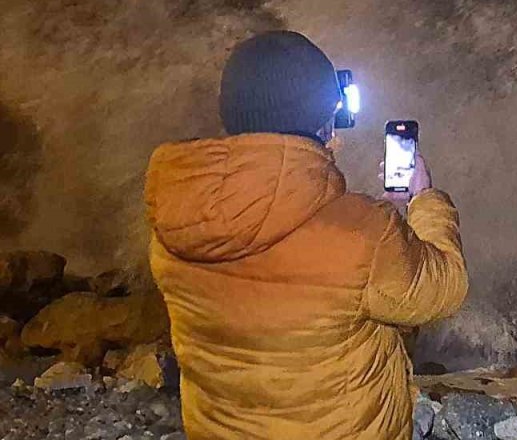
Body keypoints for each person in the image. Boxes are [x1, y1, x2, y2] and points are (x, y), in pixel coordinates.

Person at [144, 30, 468, 439]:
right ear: (325, 118)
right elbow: (444, 286)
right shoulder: (363, 233)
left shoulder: (178, 221)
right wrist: (423, 199)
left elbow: (277, 227)